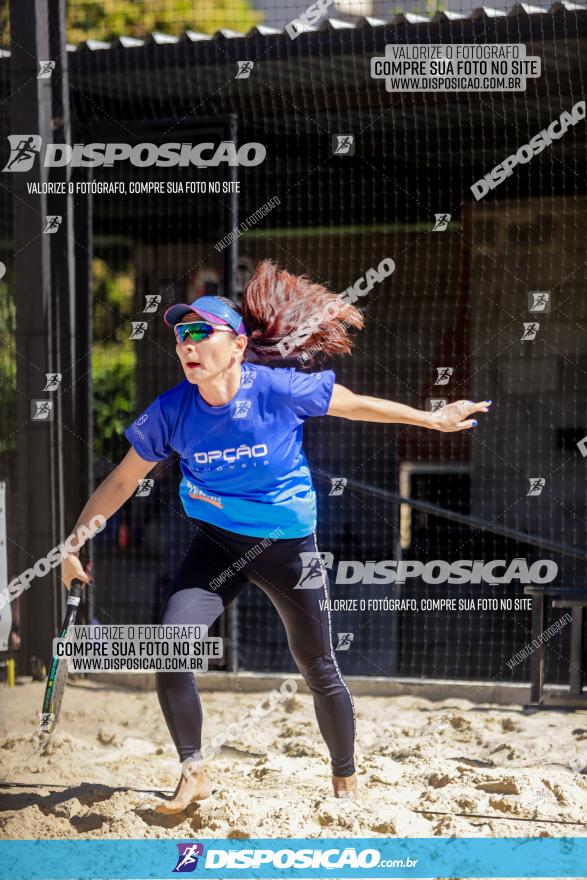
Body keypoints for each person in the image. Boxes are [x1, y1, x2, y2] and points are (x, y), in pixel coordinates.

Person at [60, 259, 491, 811]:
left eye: (200, 332)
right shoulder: (171, 411)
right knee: (170, 650)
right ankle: (193, 771)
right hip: (217, 543)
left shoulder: (278, 390)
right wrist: (74, 544)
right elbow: (122, 479)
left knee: (318, 666)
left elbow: (357, 407)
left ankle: (345, 781)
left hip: (290, 550)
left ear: (237, 346)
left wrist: (432, 420)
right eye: (180, 335)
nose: (187, 344)